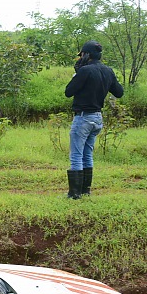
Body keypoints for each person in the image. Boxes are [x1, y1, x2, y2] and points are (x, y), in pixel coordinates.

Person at [63, 40, 124, 199]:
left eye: (81, 54)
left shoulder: (85, 71)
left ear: (86, 55)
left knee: (76, 155)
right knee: (87, 154)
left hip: (83, 117)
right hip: (97, 118)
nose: (80, 57)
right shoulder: (107, 70)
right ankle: (85, 191)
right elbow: (119, 92)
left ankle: (74, 194)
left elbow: (69, 91)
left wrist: (78, 72)